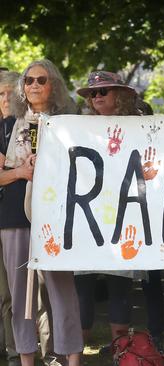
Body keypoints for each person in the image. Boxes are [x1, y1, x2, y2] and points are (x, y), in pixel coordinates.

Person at [1, 59, 83, 366]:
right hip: (14, 215)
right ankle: (26, 360)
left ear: (54, 86)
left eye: (41, 80)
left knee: (62, 291)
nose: (34, 85)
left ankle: (72, 359)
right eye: (28, 80)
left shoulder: (69, 125)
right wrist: (22, 171)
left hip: (56, 214)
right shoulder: (7, 125)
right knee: (19, 295)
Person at [74, 71, 141, 346]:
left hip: (125, 216)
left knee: (119, 287)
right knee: (82, 287)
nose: (97, 97)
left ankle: (121, 353)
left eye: (103, 92)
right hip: (87, 216)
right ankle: (76, 357)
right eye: (93, 93)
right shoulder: (77, 129)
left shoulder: (139, 127)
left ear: (119, 95)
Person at [0, 71, 20, 366]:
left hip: (17, 218)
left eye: (8, 94)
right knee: (3, 294)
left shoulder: (28, 126)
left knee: (21, 294)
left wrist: (9, 170)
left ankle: (20, 350)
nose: (5, 100)